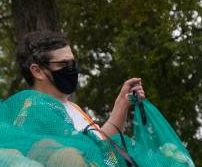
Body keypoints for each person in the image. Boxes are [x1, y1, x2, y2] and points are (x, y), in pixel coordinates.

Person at [16, 30, 145, 137]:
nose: (71, 69)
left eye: (73, 63)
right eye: (63, 64)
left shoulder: (73, 108)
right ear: (37, 71)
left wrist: (122, 103)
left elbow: (103, 145)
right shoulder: (34, 113)